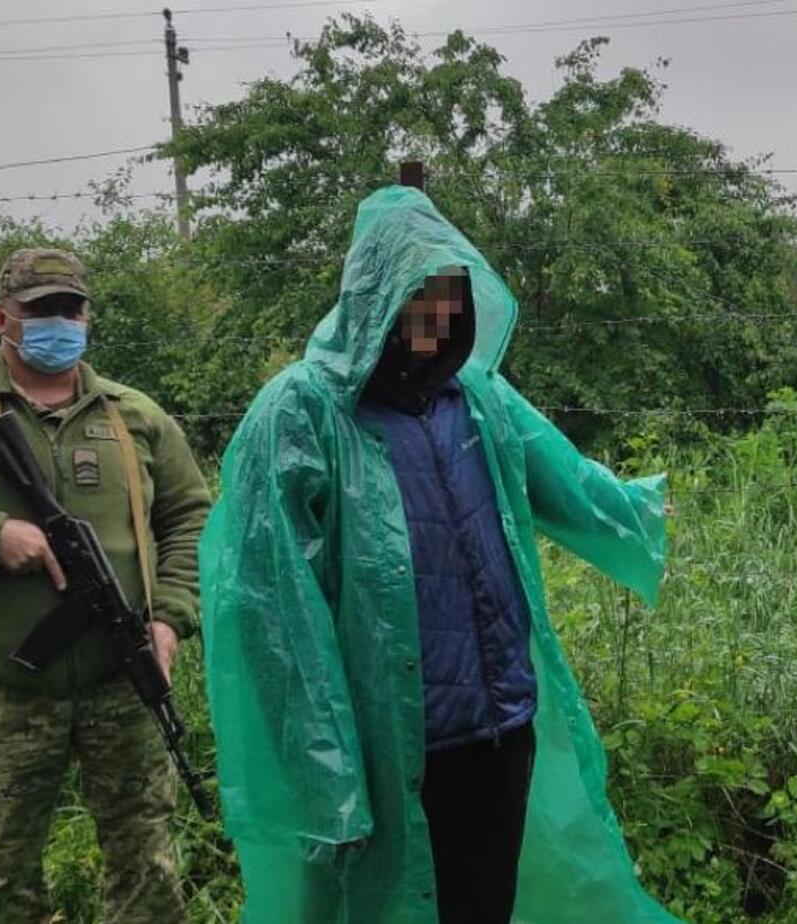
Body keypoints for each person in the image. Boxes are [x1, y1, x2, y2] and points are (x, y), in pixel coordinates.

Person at [201, 184, 676, 923]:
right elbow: (273, 611)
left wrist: (640, 508)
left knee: (484, 903)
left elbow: (566, 478)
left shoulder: (479, 397)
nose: (436, 317)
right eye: (418, 297)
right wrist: (325, 777)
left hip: (500, 723)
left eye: (450, 297)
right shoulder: (301, 414)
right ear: (372, 296)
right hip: (393, 748)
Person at [0, 248, 211, 923]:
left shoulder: (132, 415)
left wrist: (168, 617)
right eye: (40, 309)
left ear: (88, 317)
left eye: (70, 309)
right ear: (3, 319)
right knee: (3, 876)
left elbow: (190, 515)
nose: (59, 322)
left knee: (146, 867)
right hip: (8, 694)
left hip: (123, 679)